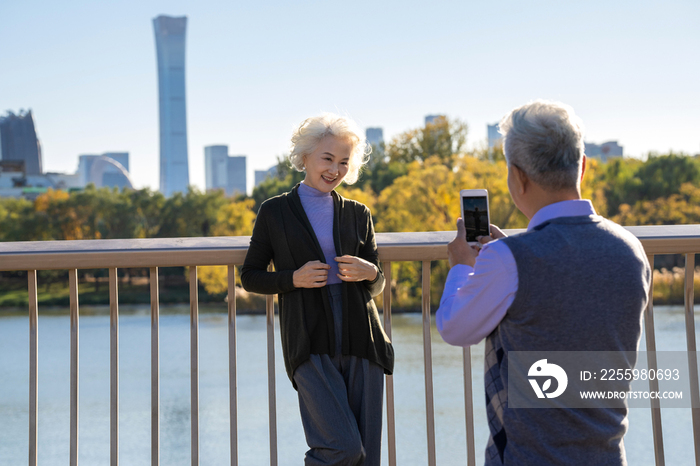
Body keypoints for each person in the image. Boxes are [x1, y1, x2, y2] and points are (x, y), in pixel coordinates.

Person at [436, 100, 651, 465]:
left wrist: (462, 265)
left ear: (517, 177)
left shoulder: (510, 260)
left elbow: (455, 328)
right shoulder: (631, 251)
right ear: (582, 167)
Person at [241, 113, 393, 466]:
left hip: (362, 338)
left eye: (343, 161)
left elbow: (377, 283)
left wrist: (370, 272)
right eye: (327, 159)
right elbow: (249, 275)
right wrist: (292, 278)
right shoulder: (274, 212)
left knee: (366, 457)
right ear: (304, 156)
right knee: (342, 448)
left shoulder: (358, 213)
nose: (335, 169)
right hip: (309, 340)